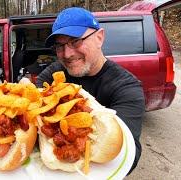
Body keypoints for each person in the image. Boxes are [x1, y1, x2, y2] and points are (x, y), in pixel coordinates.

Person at [36, 7, 145, 173]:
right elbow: (36, 95)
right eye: (60, 46)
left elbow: (130, 154)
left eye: (75, 41)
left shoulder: (126, 87)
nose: (67, 54)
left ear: (99, 38)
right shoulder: (56, 71)